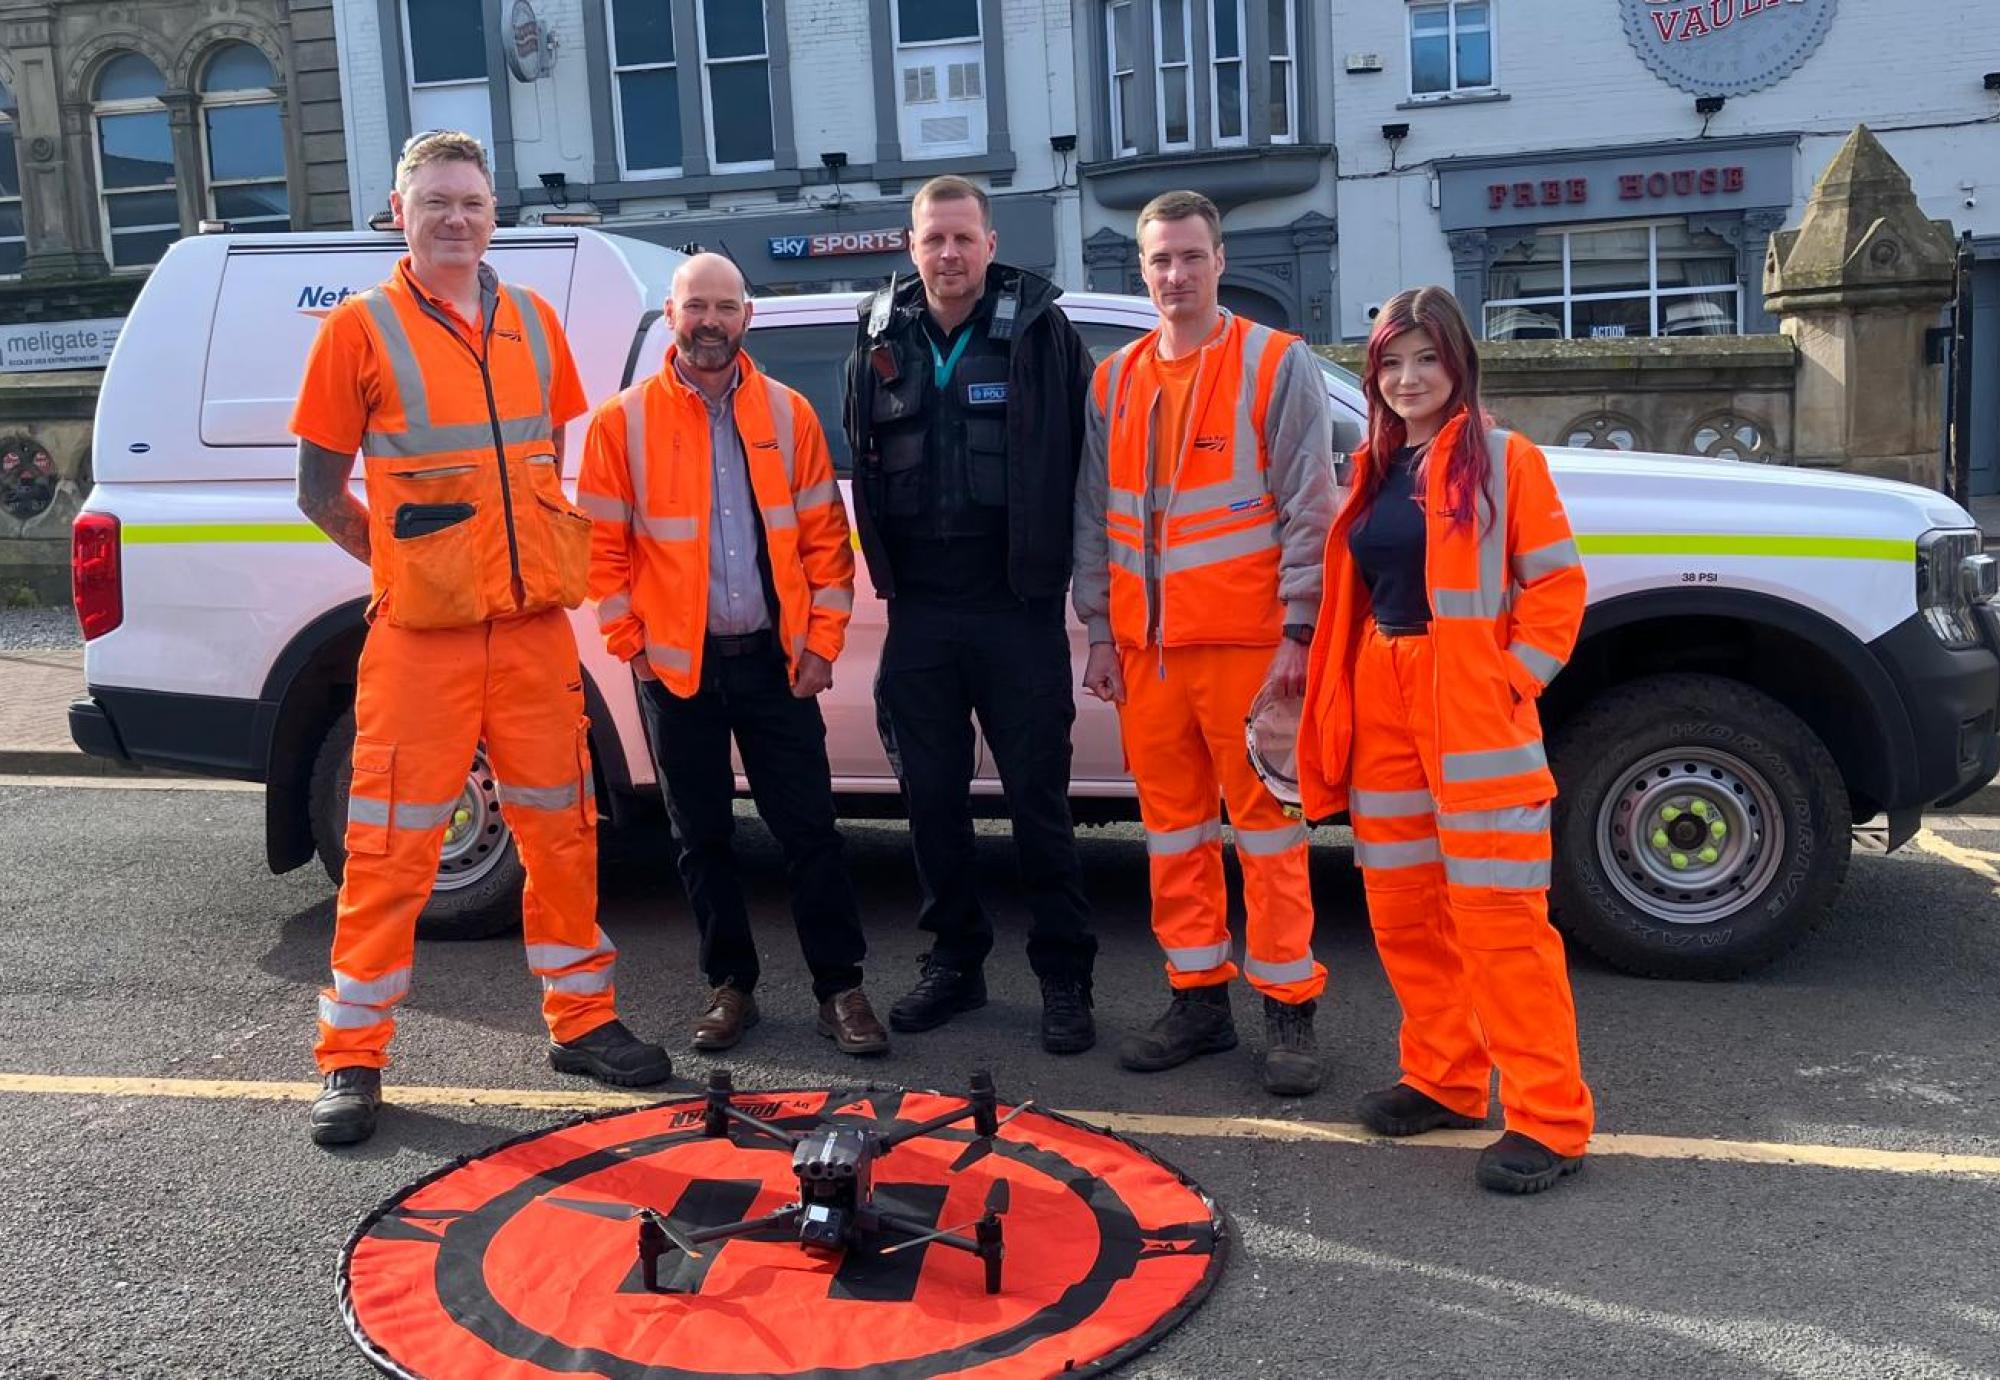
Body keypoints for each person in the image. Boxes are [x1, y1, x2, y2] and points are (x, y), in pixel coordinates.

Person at [292, 131, 671, 1149]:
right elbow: (318, 493)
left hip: (535, 632)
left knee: (563, 833)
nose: (455, 219)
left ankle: (582, 1022)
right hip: (422, 640)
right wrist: (408, 569)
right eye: (436, 203)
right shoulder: (357, 332)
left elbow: (539, 463)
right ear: (397, 211)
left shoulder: (534, 324)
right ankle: (352, 1057)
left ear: (492, 211)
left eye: (470, 202)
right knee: (387, 851)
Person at [1296, 285, 1594, 1193]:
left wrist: (1512, 680)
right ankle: (1447, 1077)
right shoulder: (1377, 466)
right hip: (1384, 691)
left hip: (1469, 707)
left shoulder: (1508, 462)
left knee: (1501, 921)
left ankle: (1547, 1117)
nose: (1408, 377)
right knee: (1404, 908)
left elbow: (1557, 588)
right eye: (1391, 362)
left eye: (1427, 359)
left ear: (1460, 364)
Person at [578, 253, 887, 1056]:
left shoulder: (789, 415)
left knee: (811, 831)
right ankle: (730, 987)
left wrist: (822, 644)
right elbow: (599, 551)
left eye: (724, 306)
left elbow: (827, 546)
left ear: (746, 316)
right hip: (677, 669)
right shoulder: (624, 422)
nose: (709, 321)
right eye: (695, 307)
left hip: (776, 663)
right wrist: (632, 648)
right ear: (672, 318)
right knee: (701, 836)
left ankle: (840, 989)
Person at [1074, 190, 1335, 1096]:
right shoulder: (1115, 381)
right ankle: (1198, 1000)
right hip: (1148, 654)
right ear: (1140, 269)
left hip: (1252, 648)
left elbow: (1311, 505)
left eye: (1190, 256)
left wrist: (1300, 632)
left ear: (1220, 259)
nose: (1175, 275)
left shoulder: (1274, 362)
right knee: (1174, 835)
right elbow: (1094, 521)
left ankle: (1289, 1011)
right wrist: (1101, 631)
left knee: (1268, 832)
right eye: (1159, 260)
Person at [843, 175, 1099, 1054]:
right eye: (932, 240)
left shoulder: (1042, 333)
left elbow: (1085, 468)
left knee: (1039, 801)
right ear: (910, 247)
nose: (947, 255)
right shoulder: (879, 334)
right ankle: (954, 962)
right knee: (932, 803)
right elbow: (864, 462)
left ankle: (1065, 976)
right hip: (920, 610)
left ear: (991, 242)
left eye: (963, 238)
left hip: (1015, 608)